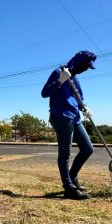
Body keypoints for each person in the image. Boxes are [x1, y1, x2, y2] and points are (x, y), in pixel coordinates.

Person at [41, 50, 97, 199]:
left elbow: (79, 99)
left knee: (88, 149)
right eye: (85, 66)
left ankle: (72, 177)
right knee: (65, 153)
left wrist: (85, 108)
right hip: (61, 116)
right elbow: (44, 93)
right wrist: (60, 80)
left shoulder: (75, 79)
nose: (86, 70)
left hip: (75, 117)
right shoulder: (59, 72)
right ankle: (68, 188)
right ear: (79, 62)